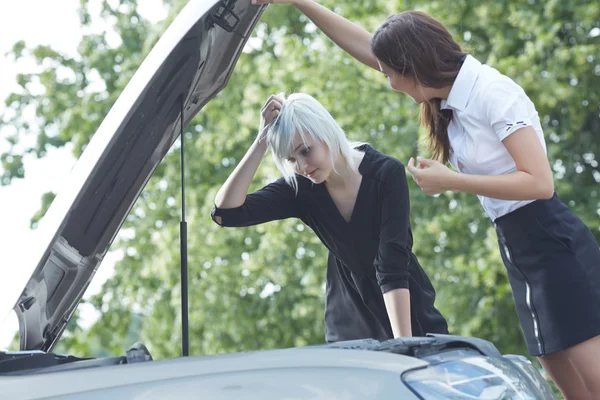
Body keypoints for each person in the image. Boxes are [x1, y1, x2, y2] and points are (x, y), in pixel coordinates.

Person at [250, 1, 600, 398]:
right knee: (563, 378)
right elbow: (367, 48)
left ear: (413, 67)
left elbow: (540, 183)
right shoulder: (446, 95)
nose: (387, 81)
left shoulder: (491, 92)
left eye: (390, 73)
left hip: (550, 240)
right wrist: (300, 2)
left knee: (591, 377)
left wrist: (453, 181)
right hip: (517, 245)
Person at [212, 92, 448, 343]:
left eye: (305, 151)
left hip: (407, 314)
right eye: (291, 159)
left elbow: (391, 265)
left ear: (325, 131)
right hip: (349, 328)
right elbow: (226, 213)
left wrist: (405, 344)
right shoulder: (301, 189)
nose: (301, 166)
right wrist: (262, 139)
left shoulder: (386, 174)